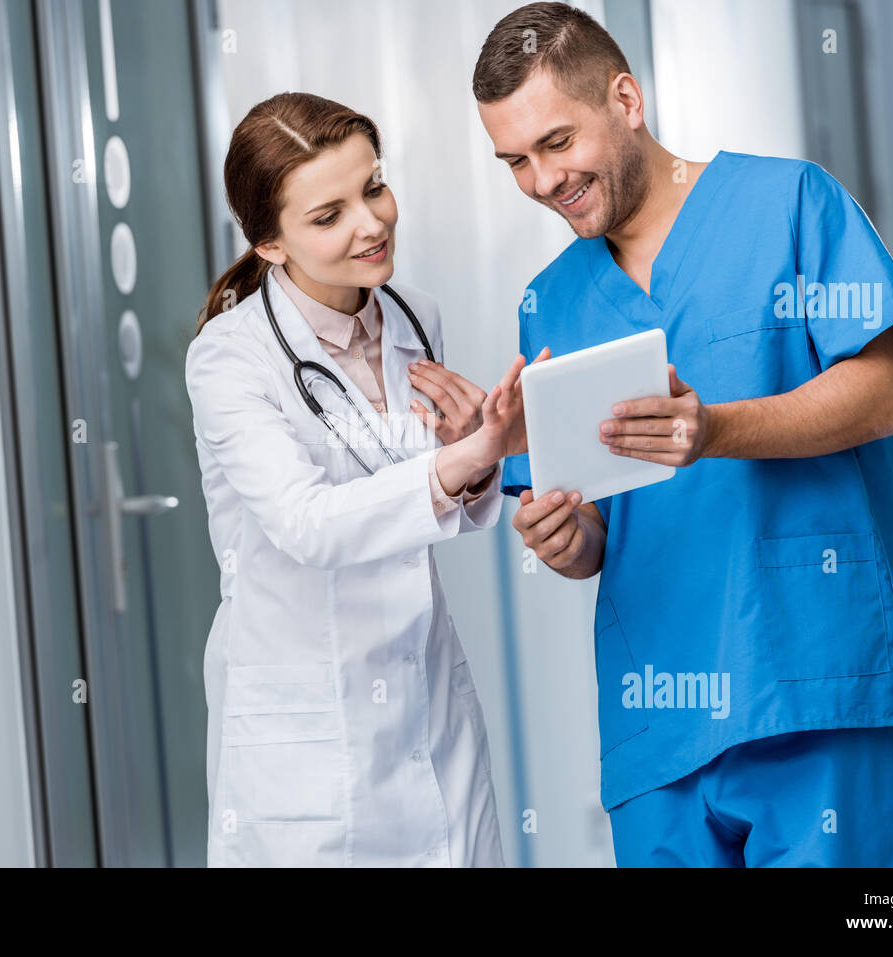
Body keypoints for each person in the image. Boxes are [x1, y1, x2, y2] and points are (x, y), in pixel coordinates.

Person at [473, 3, 893, 866]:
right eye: (515, 162)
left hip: (816, 683)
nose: (542, 181)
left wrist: (714, 427)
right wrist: (559, 534)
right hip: (659, 731)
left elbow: (885, 395)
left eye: (557, 143)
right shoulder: (550, 301)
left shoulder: (789, 202)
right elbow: (589, 535)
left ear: (625, 97)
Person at [186, 92, 529, 866]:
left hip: (425, 703)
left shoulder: (415, 316)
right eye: (328, 214)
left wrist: (472, 454)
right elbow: (310, 523)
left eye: (373, 187)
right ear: (271, 243)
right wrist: (464, 461)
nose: (371, 223)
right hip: (304, 736)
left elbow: (423, 495)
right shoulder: (229, 358)